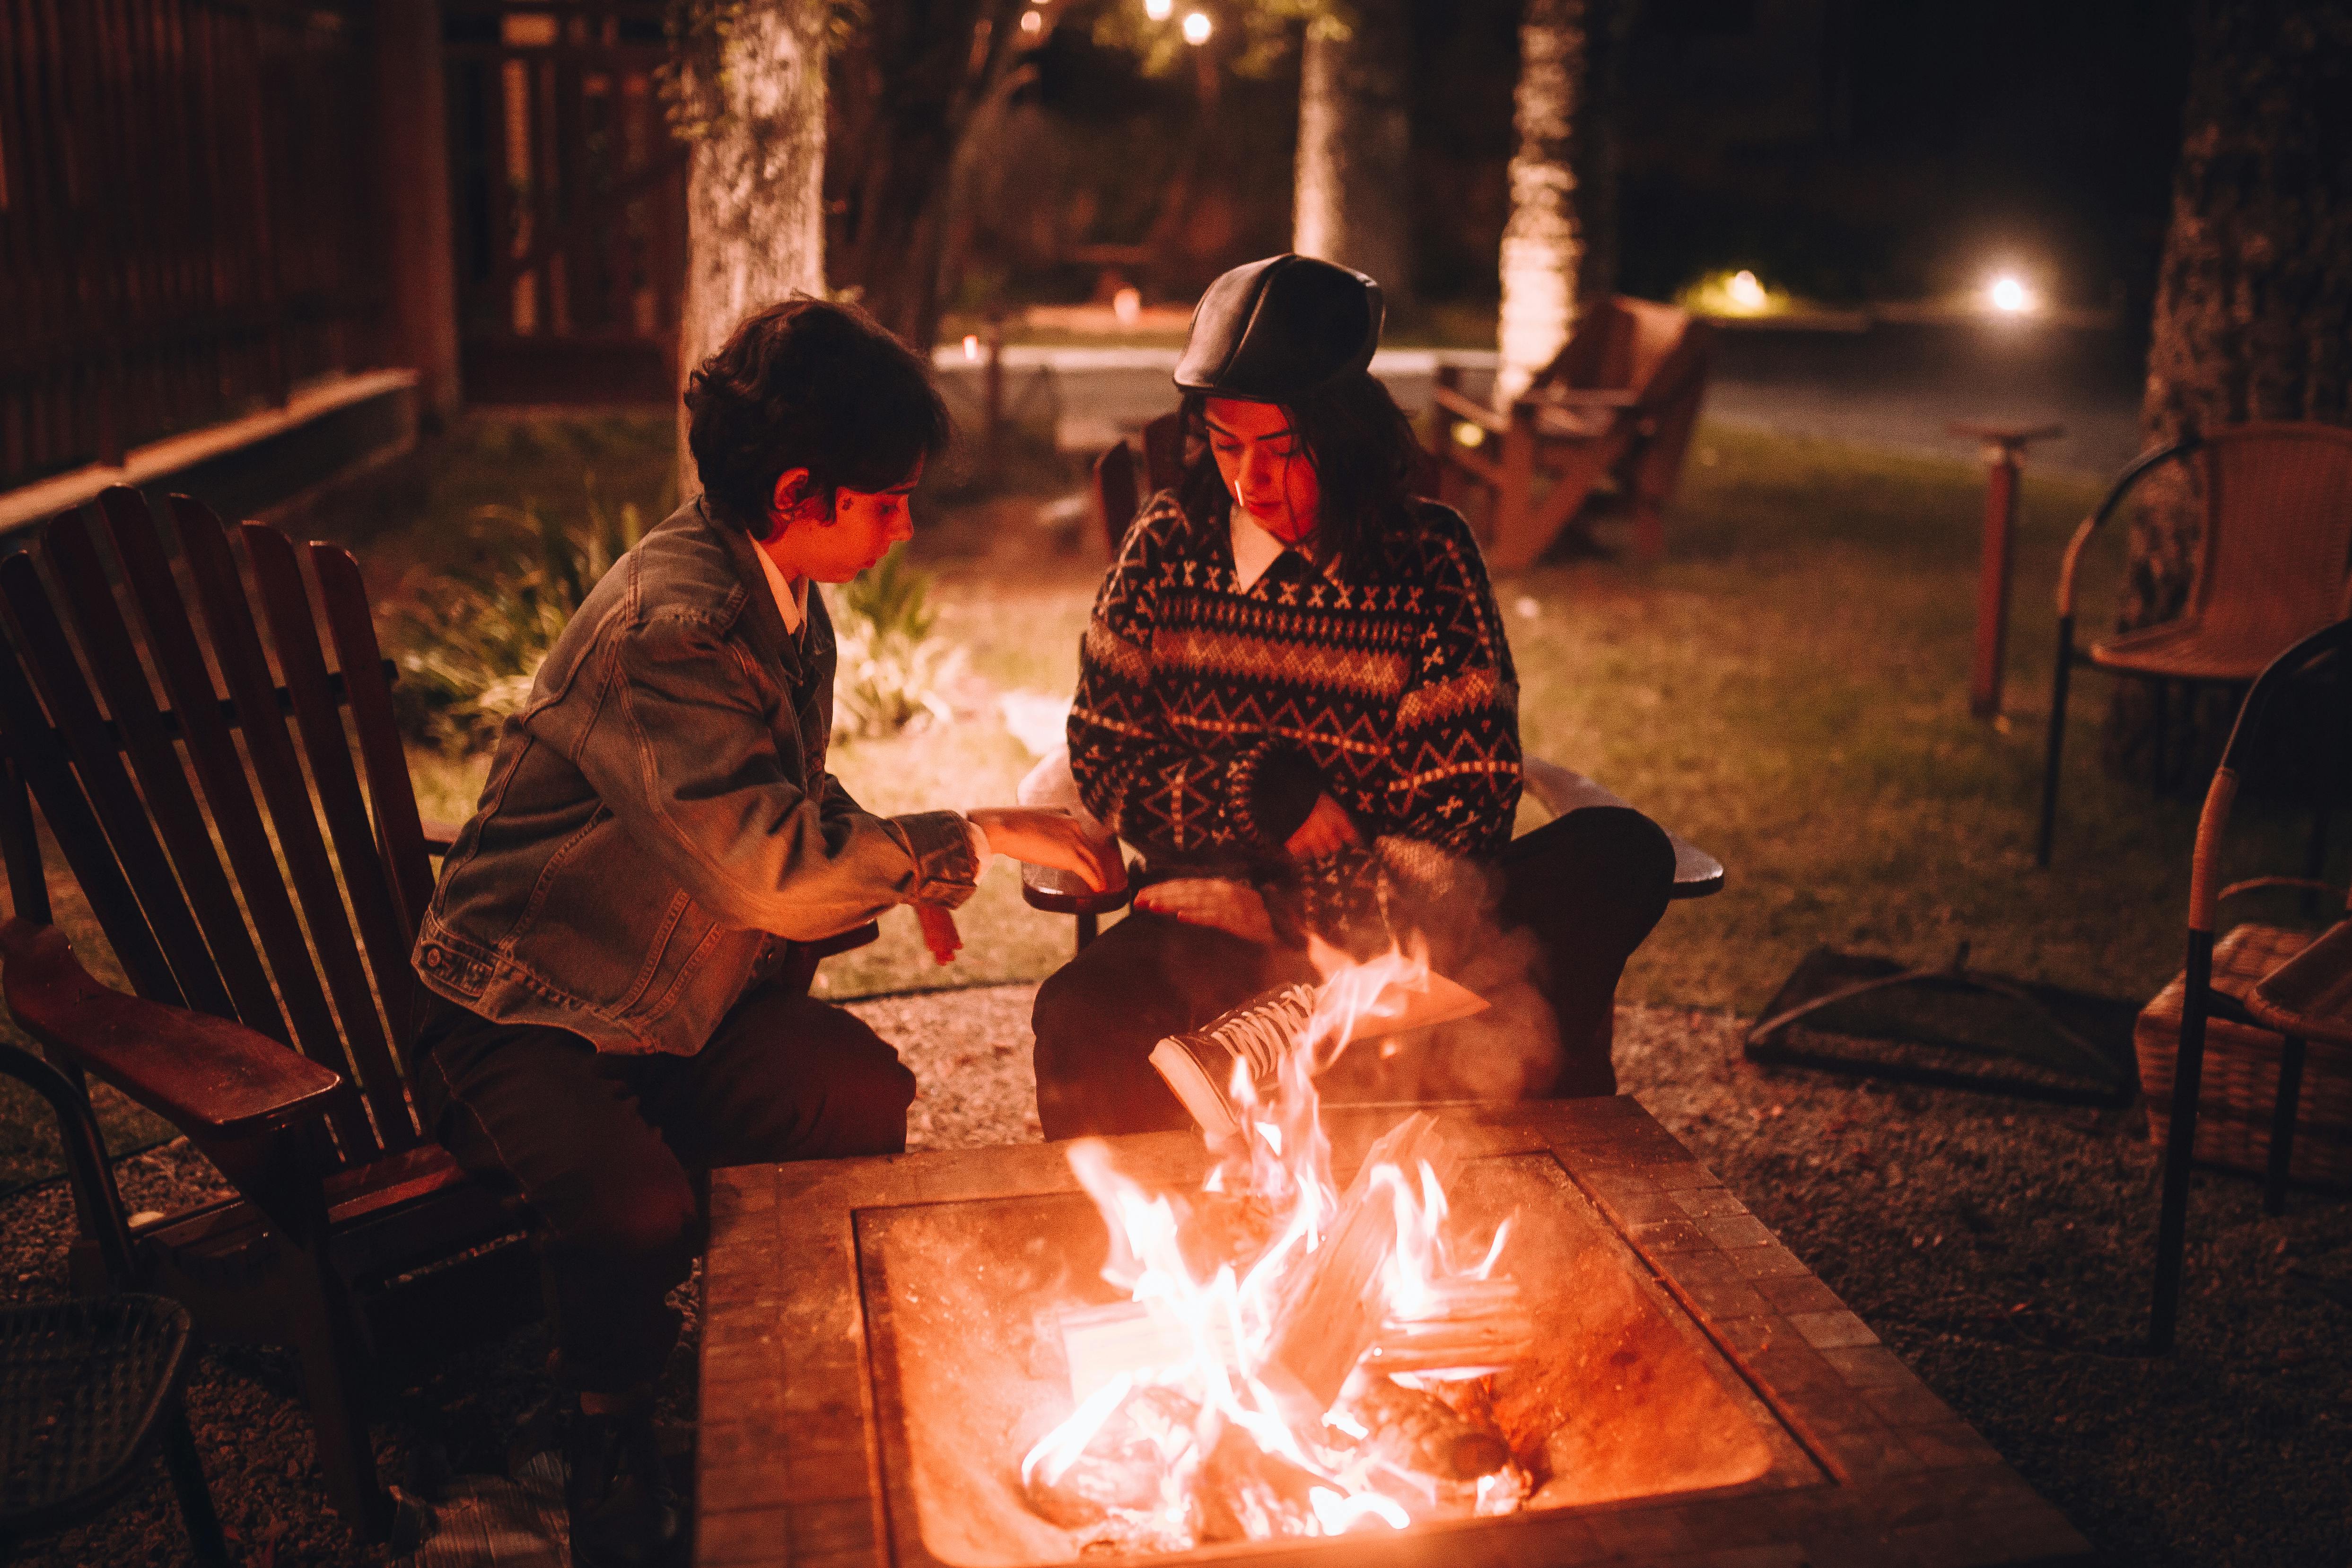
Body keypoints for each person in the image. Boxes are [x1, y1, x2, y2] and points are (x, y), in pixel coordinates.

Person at [407, 298, 1121, 1568]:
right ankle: (601, 1421)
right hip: (526, 1013)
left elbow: (776, 791)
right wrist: (976, 834)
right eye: (887, 499)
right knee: (632, 1205)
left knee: (853, 1089)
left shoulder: (782, 583)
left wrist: (906, 878)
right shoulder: (672, 629)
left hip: (676, 999)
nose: (904, 524)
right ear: (800, 488)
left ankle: (783, 1360)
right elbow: (760, 869)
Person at [1031, 254, 1675, 1141]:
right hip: (1207, 922)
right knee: (1080, 1015)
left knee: (1619, 853)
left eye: (1281, 451)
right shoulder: (1167, 546)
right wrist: (1255, 790)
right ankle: (1131, 1265)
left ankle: (1296, 1023)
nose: (1249, 484)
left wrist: (1297, 915)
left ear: (1343, 438)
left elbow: (1463, 817)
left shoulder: (1426, 562)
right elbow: (1107, 757)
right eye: (1225, 446)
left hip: (1402, 927)